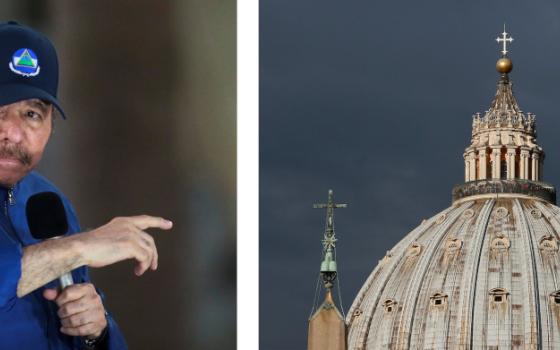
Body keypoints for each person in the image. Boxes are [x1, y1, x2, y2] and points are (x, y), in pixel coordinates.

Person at [0, 21, 172, 349]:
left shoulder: (49, 202)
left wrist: (97, 331)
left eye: (32, 114)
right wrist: (77, 247)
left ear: (52, 126)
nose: (14, 132)